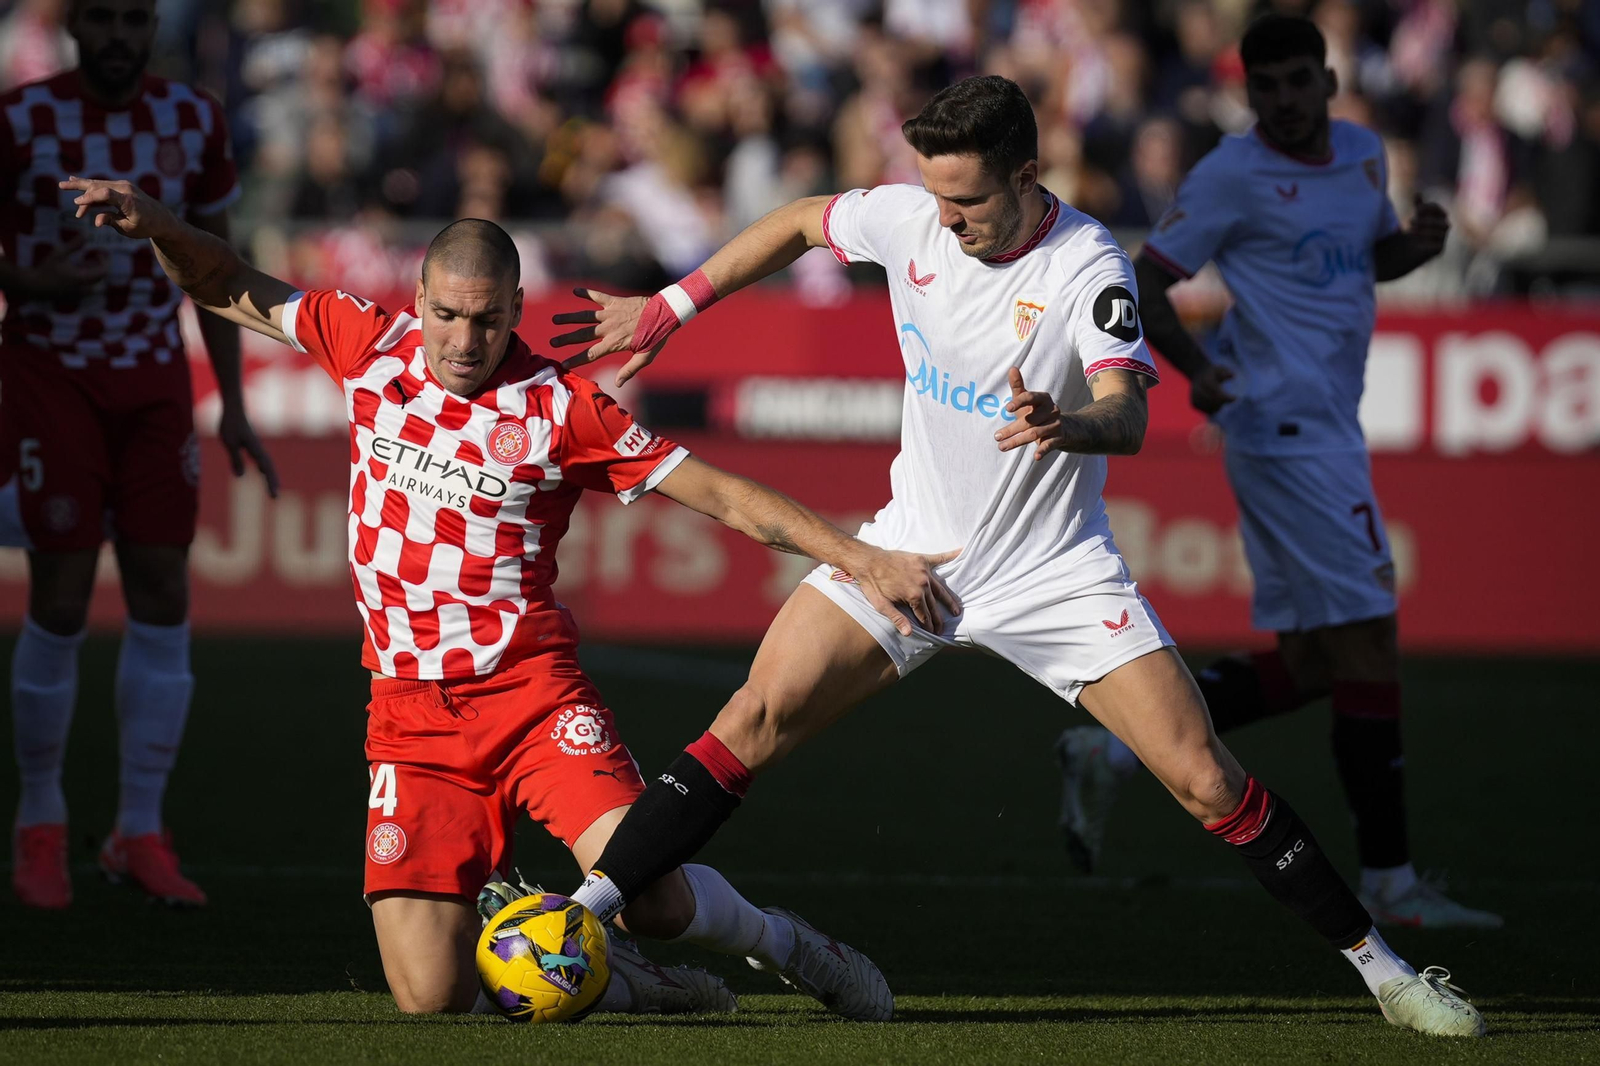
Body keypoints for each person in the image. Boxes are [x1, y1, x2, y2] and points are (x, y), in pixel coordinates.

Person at [550, 74, 1487, 1037]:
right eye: (933, 193)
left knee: (1206, 778)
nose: (944, 219)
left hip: (1053, 573)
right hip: (908, 551)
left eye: (965, 200)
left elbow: (1128, 413)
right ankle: (579, 919)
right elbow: (797, 221)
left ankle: (1391, 977)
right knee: (751, 717)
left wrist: (1065, 424)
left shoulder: (1088, 265)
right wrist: (672, 305)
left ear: (1028, 176)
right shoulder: (912, 219)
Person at [65, 177, 948, 1020]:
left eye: (487, 319)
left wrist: (860, 557)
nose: (463, 339)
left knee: (656, 901)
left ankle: (787, 944)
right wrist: (162, 226)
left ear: (516, 309)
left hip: (532, 699)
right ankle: (630, 985)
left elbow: (721, 496)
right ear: (418, 299)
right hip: (409, 713)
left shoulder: (560, 409)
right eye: (447, 315)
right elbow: (224, 283)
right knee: (430, 996)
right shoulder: (366, 344)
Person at [1055, 14, 1502, 932]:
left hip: (1329, 421)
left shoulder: (1363, 157)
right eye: (1268, 86)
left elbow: (1355, 262)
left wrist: (1409, 251)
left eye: (1300, 81)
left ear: (1328, 83)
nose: (1286, 100)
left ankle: (1115, 752)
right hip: (1281, 427)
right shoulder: (1231, 174)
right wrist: (1196, 368)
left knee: (1316, 663)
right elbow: (1147, 279)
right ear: (1249, 91)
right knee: (1369, 646)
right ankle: (1392, 883)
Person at [0, 0, 277, 910]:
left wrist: (232, 403)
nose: (118, 36)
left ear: (152, 26)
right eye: (102, 19)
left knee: (162, 588)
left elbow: (217, 265)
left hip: (156, 383)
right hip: (49, 374)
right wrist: (27, 282)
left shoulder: (193, 117)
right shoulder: (21, 116)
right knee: (63, 592)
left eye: (133, 19)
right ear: (74, 26)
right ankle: (41, 823)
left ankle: (139, 832)